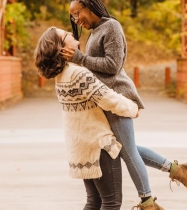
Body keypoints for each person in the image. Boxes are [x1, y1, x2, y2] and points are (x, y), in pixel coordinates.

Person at [61, 0, 187, 209]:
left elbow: (113, 66)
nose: (76, 20)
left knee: (127, 150)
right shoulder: (94, 31)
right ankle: (179, 170)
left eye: (78, 13)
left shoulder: (111, 27)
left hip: (118, 96)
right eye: (73, 17)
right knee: (126, 148)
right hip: (107, 99)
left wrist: (81, 58)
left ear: (89, 6)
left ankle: (148, 201)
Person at [34, 27, 156, 210]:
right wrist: (132, 108)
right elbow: (108, 99)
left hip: (81, 147)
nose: (70, 32)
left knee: (94, 201)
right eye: (66, 35)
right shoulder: (78, 74)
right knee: (111, 203)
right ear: (62, 48)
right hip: (99, 147)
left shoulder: (62, 75)